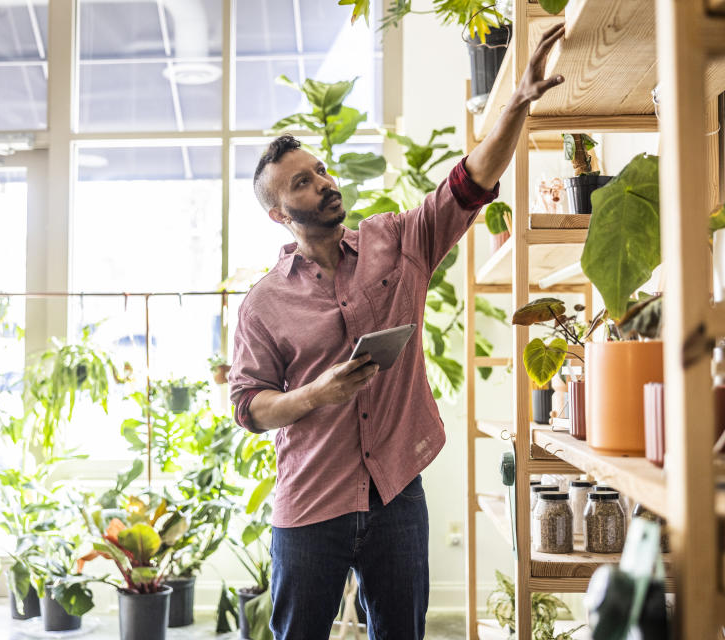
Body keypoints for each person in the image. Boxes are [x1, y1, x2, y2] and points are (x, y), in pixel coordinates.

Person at [228, 23, 567, 640]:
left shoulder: (396, 242)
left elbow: (465, 187)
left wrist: (515, 104)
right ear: (278, 214)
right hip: (310, 505)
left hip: (396, 495)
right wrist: (317, 394)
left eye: (321, 171)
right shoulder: (263, 304)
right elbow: (248, 407)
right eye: (302, 182)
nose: (325, 183)